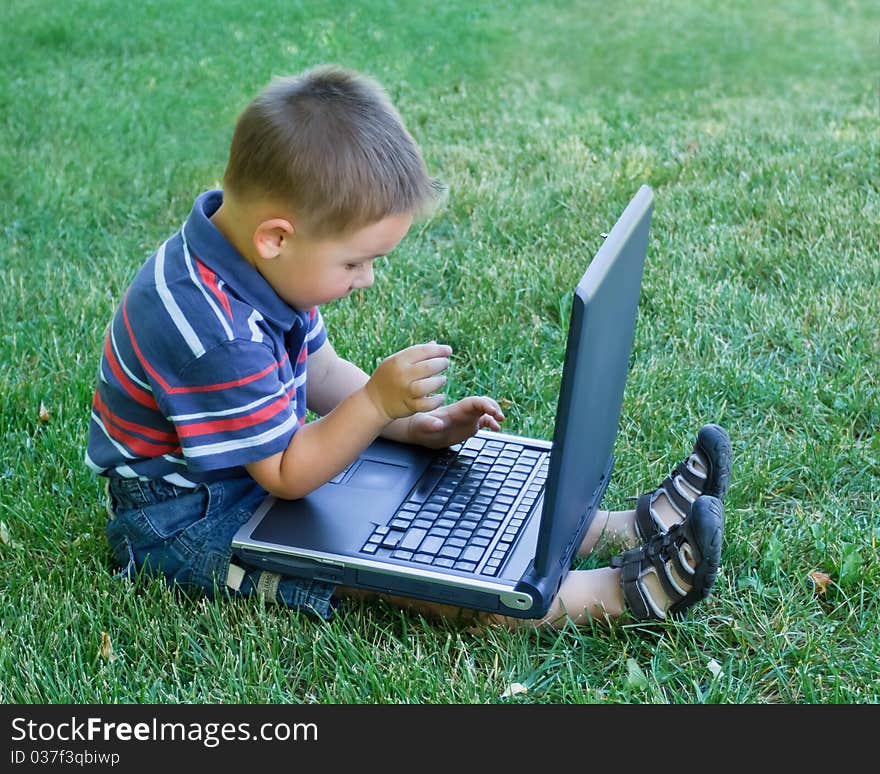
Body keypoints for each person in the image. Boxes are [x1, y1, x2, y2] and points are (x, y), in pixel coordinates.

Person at [85, 65, 731, 631]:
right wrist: (372, 405)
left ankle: (612, 527)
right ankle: (606, 597)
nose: (366, 280)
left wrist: (410, 426)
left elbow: (320, 369)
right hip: (186, 517)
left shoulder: (256, 264)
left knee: (419, 488)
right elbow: (286, 475)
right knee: (395, 568)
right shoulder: (214, 331)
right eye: (356, 263)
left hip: (248, 470)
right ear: (277, 238)